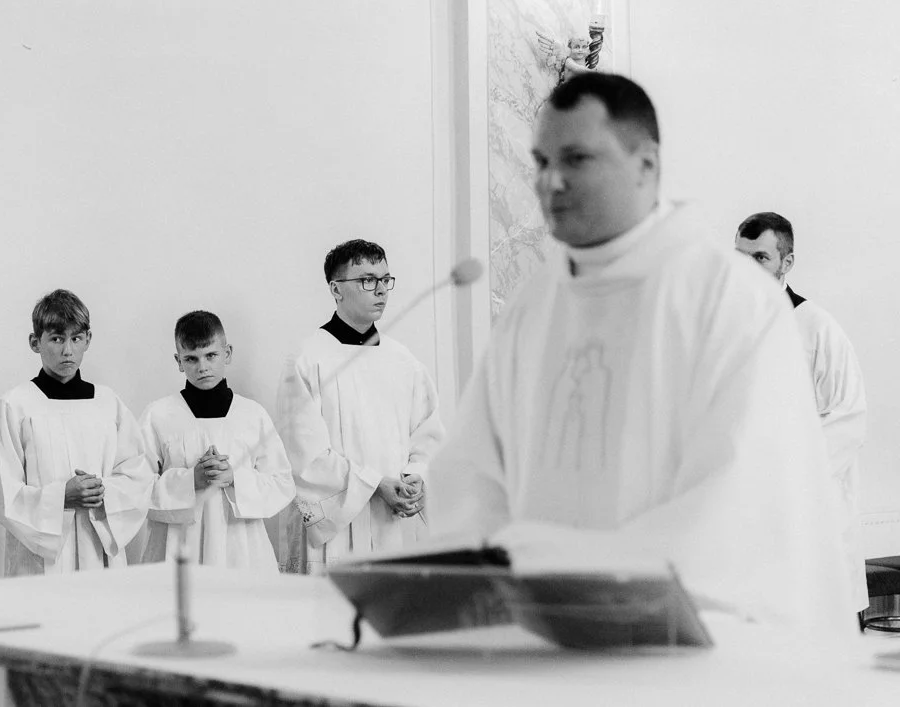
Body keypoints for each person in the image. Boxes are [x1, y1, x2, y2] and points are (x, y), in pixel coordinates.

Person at [429, 73, 850, 631]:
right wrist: (498, 572)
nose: (550, 182)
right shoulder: (532, 306)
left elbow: (741, 511)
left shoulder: (729, 300)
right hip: (542, 636)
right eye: (541, 161)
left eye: (576, 159)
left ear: (646, 164)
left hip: (682, 642)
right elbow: (472, 475)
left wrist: (556, 564)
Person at [277, 241, 445, 572]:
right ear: (336, 289)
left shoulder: (404, 361)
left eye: (385, 279)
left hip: (395, 524)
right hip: (339, 531)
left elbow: (429, 435)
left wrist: (417, 477)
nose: (381, 290)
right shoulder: (307, 359)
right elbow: (304, 455)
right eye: (367, 280)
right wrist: (375, 484)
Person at [735, 211, 868, 615]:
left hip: (807, 508)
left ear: (786, 262)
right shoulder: (726, 326)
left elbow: (848, 421)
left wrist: (784, 473)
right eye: (740, 257)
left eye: (759, 258)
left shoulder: (818, 329)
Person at [0, 289, 154, 575]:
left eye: (76, 338)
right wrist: (61, 497)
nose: (67, 351)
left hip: (98, 551)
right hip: (40, 562)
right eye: (56, 339)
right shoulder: (17, 405)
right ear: (35, 342)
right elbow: (3, 494)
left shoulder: (108, 403)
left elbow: (137, 475)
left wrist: (101, 491)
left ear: (87, 339)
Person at [138, 311, 295, 569]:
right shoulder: (158, 415)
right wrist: (190, 480)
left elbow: (282, 483)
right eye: (191, 358)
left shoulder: (252, 415)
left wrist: (234, 478)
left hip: (242, 551)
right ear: (178, 361)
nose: (202, 367)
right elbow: (136, 488)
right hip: (177, 550)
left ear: (227, 353)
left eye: (211, 355)